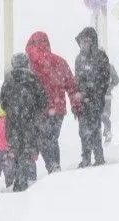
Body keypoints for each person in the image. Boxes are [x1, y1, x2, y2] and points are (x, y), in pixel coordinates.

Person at [24, 31, 82, 174]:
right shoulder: (60, 62)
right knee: (52, 138)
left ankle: (52, 166)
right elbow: (72, 86)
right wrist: (77, 106)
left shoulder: (30, 63)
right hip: (58, 109)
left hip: (39, 109)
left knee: (42, 139)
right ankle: (55, 166)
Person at [0, 52, 47, 192]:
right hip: (30, 123)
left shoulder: (8, 80)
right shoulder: (33, 79)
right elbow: (43, 100)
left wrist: (12, 111)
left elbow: (3, 103)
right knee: (27, 152)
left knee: (16, 151)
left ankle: (17, 181)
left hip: (13, 123)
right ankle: (24, 180)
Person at [74, 27, 111, 167]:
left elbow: (104, 79)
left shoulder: (100, 57)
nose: (83, 45)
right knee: (83, 130)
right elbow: (77, 79)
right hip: (83, 101)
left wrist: (93, 93)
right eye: (81, 42)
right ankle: (86, 157)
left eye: (86, 42)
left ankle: (99, 157)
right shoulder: (79, 59)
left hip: (95, 100)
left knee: (95, 128)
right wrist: (79, 95)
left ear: (92, 42)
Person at [102, 62, 119, 144]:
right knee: (105, 116)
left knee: (95, 118)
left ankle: (106, 132)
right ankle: (108, 131)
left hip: (95, 97)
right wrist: (109, 87)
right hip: (106, 96)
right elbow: (116, 80)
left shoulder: (91, 65)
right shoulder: (109, 66)